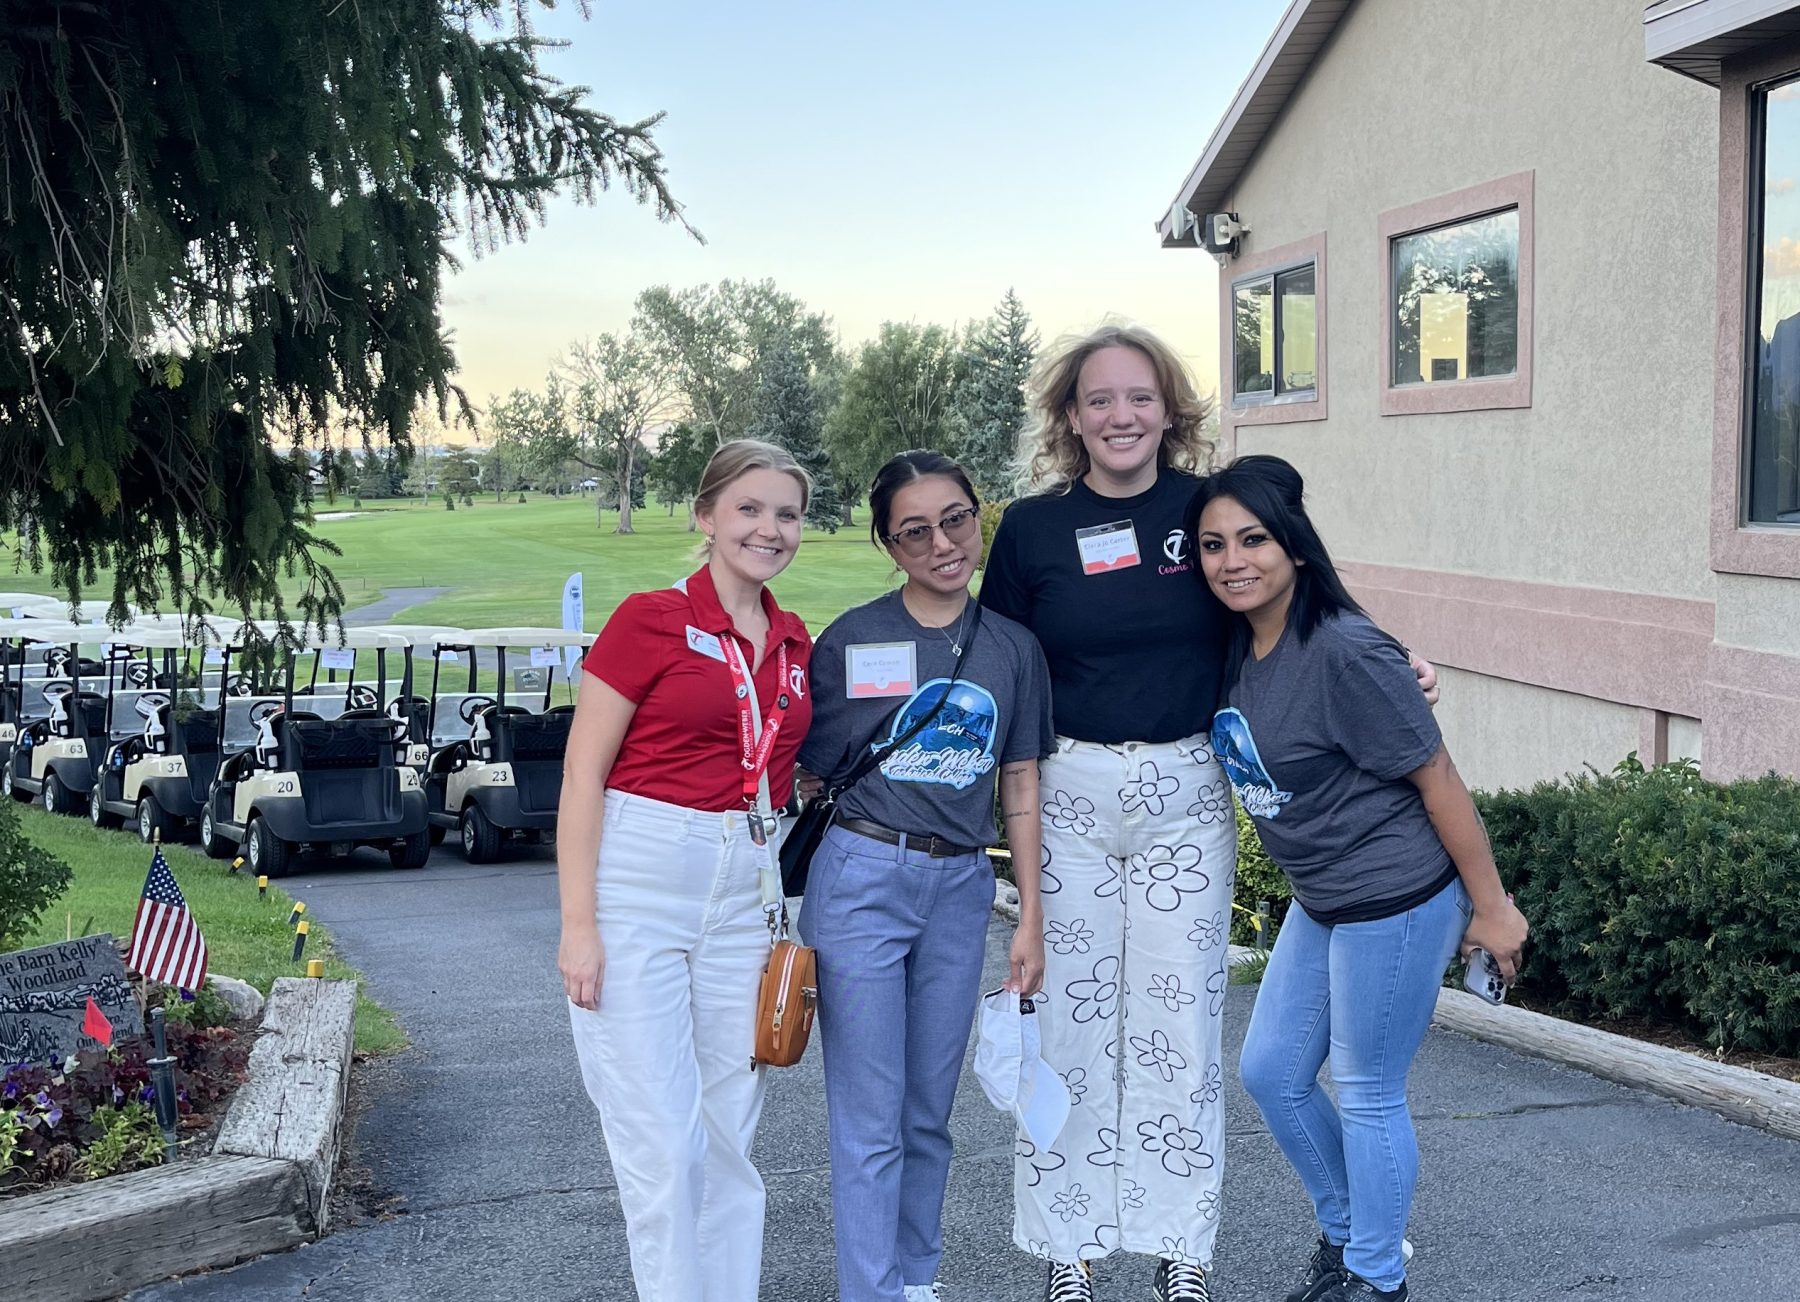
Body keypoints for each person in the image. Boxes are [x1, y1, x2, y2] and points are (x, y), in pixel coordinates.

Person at [980, 323, 1437, 1302]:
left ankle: (1180, 1246)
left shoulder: (1205, 509)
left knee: (1179, 1028)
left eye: (1139, 396)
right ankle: (1072, 1245)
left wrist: (1393, 656)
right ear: (1069, 415)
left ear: (1170, 409)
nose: (1120, 416)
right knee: (1069, 1023)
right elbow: (1000, 672)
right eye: (1098, 399)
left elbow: (1291, 582)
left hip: (1186, 795)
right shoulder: (1028, 531)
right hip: (1068, 796)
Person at [1190, 455, 1529, 1302]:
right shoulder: (1234, 645)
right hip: (1325, 897)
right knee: (1270, 1071)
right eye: (1213, 544)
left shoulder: (1342, 651)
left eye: (1254, 539)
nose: (1234, 560)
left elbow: (1439, 779)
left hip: (1399, 898)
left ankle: (1376, 1280)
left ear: (1295, 546)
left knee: (1370, 1090)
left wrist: (1492, 909)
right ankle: (1349, 1239)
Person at [557, 439, 815, 1302]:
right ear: (706, 517)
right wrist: (579, 925)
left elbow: (775, 760)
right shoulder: (648, 619)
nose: (768, 529)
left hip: (747, 890)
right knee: (664, 1143)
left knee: (730, 1141)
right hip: (640, 887)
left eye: (786, 513)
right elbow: (582, 775)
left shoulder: (790, 639)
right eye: (749, 508)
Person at [796, 449, 1054, 1302]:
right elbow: (807, 770)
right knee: (870, 1119)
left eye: (956, 520)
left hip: (960, 889)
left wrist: (1030, 916)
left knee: (928, 1116)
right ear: (889, 544)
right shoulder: (852, 640)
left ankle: (916, 1281)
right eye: (915, 532)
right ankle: (870, 1292)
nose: (942, 543)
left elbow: (1018, 779)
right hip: (864, 878)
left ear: (979, 517)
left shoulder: (1013, 648)